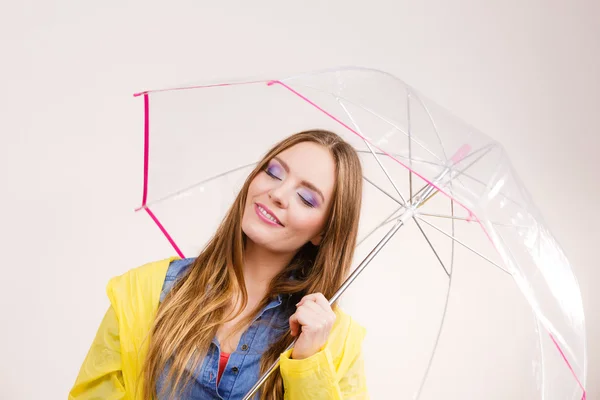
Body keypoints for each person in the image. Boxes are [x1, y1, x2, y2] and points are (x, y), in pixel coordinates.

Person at [69, 129, 368, 399]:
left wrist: (308, 365)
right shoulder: (144, 291)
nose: (277, 194)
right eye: (273, 172)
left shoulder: (335, 339)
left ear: (324, 231)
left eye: (305, 198)